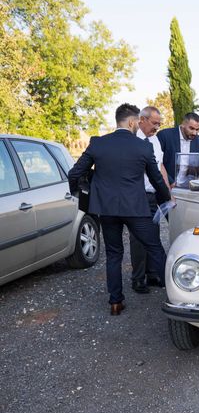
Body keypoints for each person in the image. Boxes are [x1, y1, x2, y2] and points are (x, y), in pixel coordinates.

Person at [68, 103, 171, 316]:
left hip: (107, 209)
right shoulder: (143, 147)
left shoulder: (98, 144)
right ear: (133, 122)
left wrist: (80, 193)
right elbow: (156, 179)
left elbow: (74, 174)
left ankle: (115, 302)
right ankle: (174, 296)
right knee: (155, 248)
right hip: (136, 207)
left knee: (114, 254)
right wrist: (165, 200)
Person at [129, 106, 171, 294]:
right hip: (137, 195)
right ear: (142, 120)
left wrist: (168, 190)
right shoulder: (131, 139)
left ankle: (153, 273)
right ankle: (138, 279)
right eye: (154, 123)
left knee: (153, 234)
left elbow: (160, 165)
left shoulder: (154, 140)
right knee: (138, 238)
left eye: (159, 124)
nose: (157, 127)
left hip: (153, 195)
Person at [157, 112, 199, 186]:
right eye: (191, 128)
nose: (194, 133)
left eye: (197, 129)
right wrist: (170, 182)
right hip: (166, 186)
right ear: (183, 125)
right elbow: (157, 162)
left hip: (188, 188)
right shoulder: (164, 135)